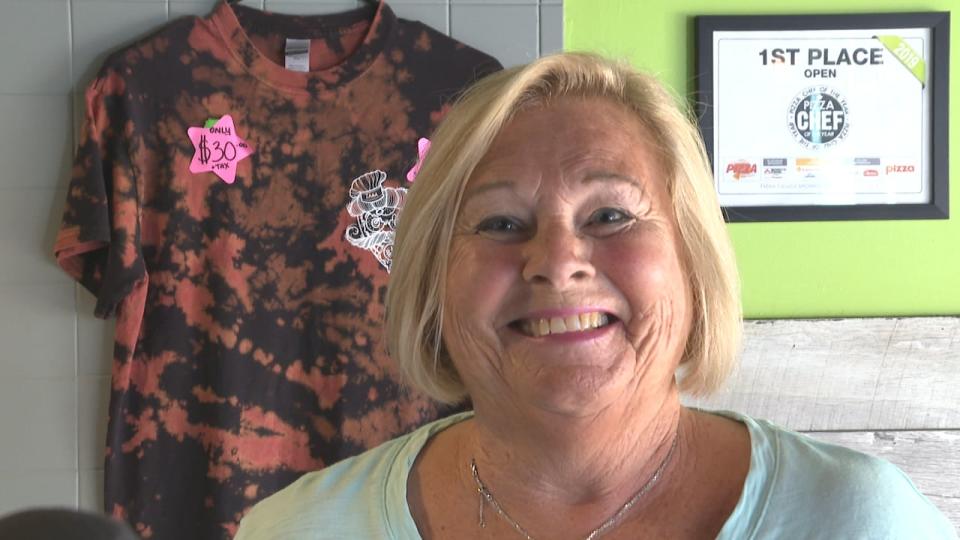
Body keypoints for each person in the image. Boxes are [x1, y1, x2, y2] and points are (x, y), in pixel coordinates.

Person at [234, 53, 956, 540]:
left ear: (692, 260)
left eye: (610, 215)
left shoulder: (859, 521)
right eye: (500, 222)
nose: (556, 262)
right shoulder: (294, 530)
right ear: (432, 278)